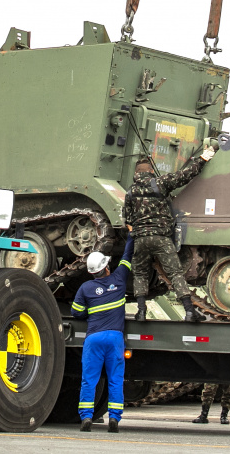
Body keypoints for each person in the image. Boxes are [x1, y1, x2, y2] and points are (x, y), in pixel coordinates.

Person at [122, 145, 217, 323]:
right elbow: (186, 175)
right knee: (175, 273)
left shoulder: (130, 192)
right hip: (161, 239)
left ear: (136, 173)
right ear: (150, 170)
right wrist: (204, 158)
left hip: (141, 239)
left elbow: (127, 220)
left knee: (140, 274)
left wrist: (138, 233)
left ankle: (141, 312)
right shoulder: (160, 184)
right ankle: (189, 311)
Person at [72, 235, 134, 434]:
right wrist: (131, 235)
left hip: (94, 338)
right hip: (115, 338)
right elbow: (127, 256)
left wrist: (90, 311)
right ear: (107, 267)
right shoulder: (119, 279)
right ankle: (114, 419)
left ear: (92, 273)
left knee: (89, 379)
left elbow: (76, 312)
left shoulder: (85, 288)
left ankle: (87, 417)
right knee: (115, 379)